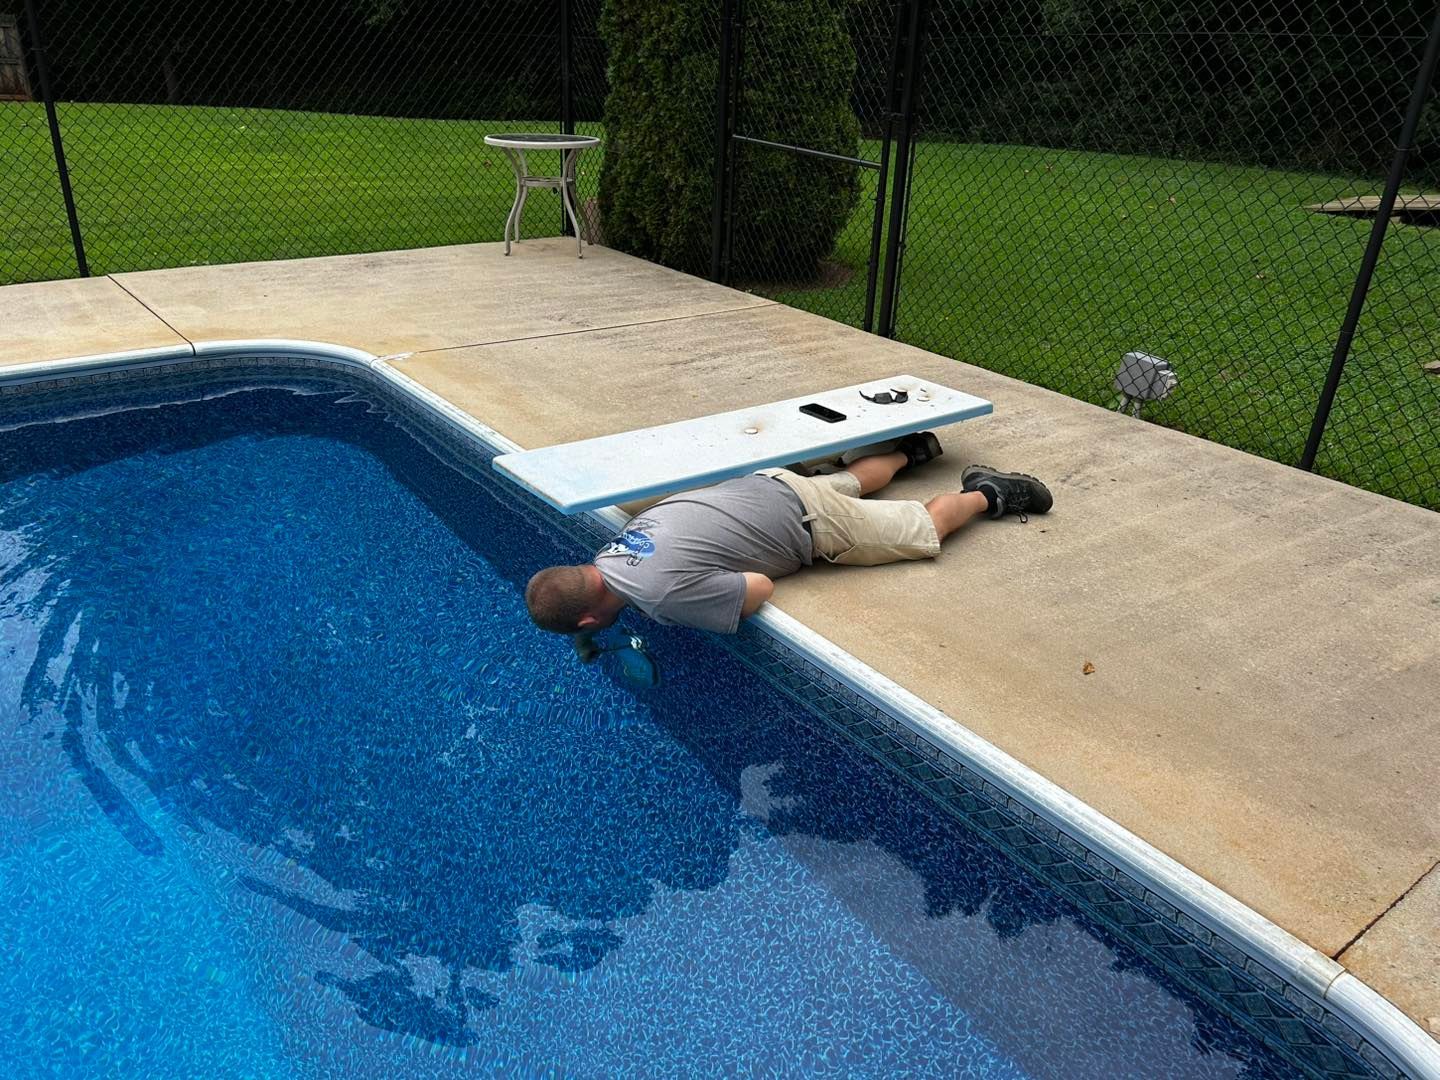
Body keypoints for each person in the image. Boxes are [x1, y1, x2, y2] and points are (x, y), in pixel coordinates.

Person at [524, 432, 1051, 637]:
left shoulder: (661, 598)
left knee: (923, 526)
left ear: (591, 617)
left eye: (586, 630)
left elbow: (758, 587)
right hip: (770, 487)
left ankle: (991, 492)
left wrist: (707, 598)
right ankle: (910, 451)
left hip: (811, 525)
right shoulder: (614, 550)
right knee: (852, 482)